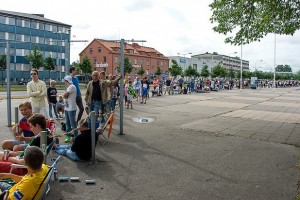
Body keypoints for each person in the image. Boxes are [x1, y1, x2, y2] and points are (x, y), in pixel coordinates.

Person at [63, 75, 77, 143]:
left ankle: (76, 137)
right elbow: (65, 96)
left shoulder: (71, 86)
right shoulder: (68, 87)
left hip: (71, 108)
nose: (64, 82)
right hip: (67, 107)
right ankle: (68, 136)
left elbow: (65, 95)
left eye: (64, 81)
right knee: (68, 123)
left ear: (66, 81)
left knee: (73, 123)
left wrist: (65, 95)